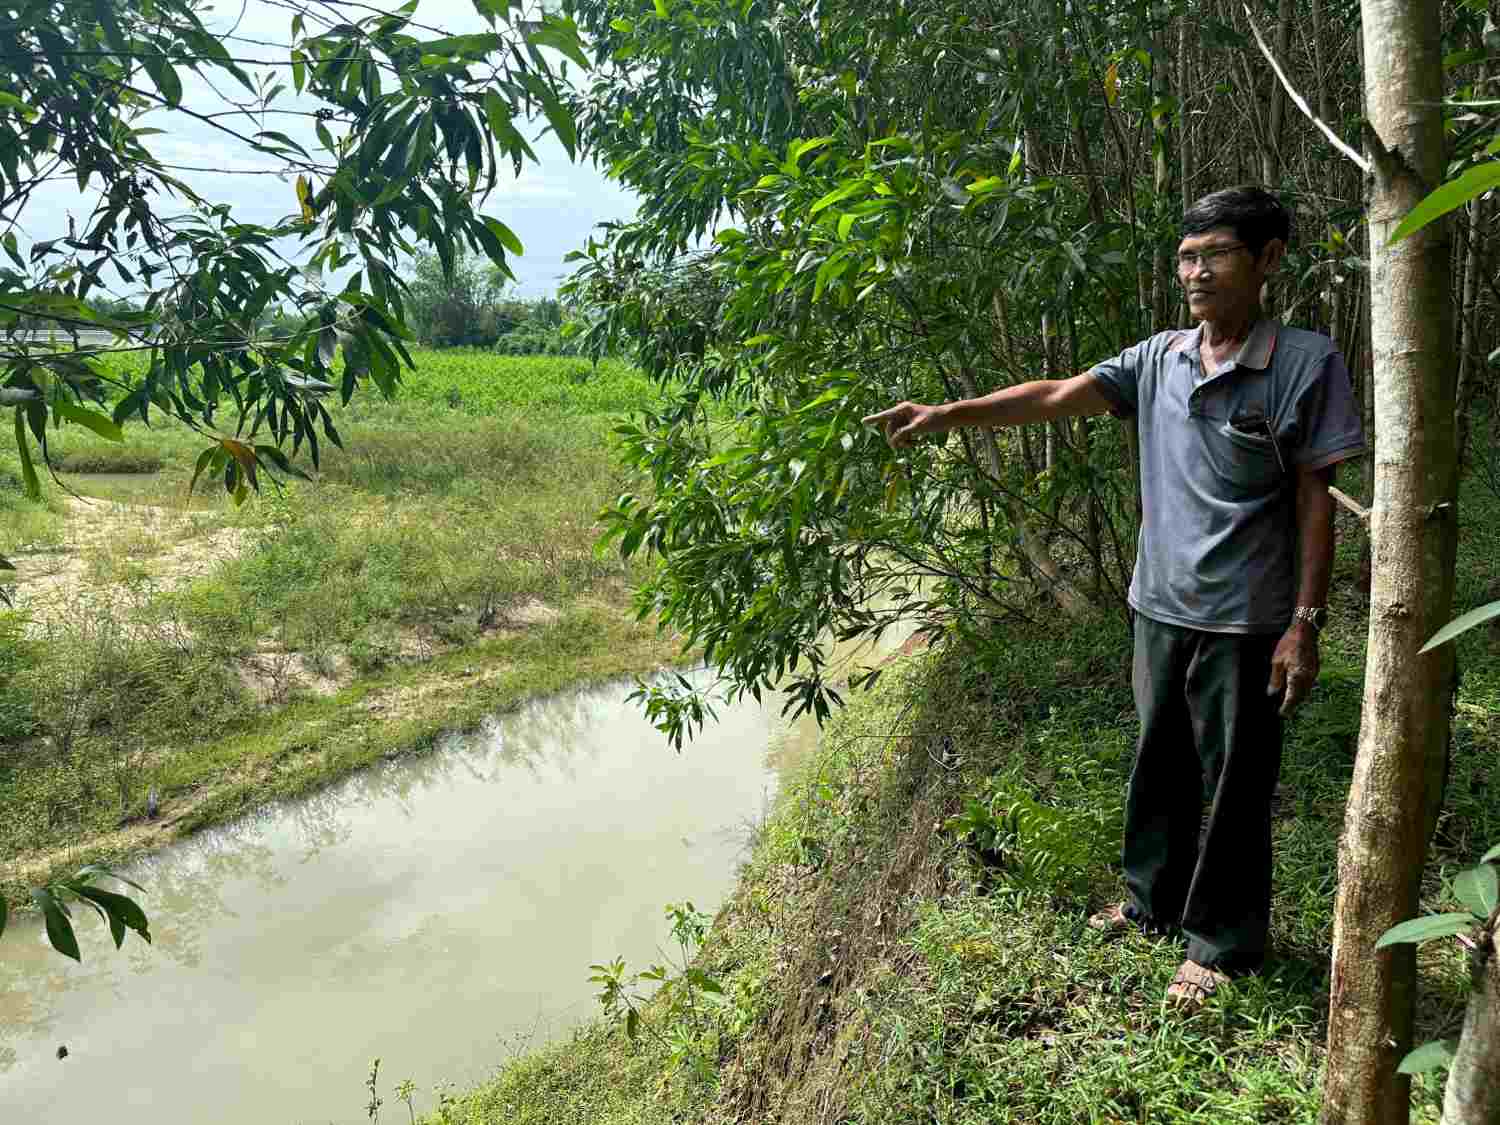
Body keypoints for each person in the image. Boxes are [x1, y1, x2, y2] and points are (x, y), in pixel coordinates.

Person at [862, 186, 1365, 1011]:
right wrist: (949, 413)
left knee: (1237, 780)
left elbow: (1318, 500)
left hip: (1249, 619)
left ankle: (1221, 942)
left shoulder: (1305, 363)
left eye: (1215, 254)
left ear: (1269, 260)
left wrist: (1305, 624)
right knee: (1157, 761)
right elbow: (1057, 394)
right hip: (1159, 607)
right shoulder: (1157, 358)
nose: (1195, 272)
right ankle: (1149, 904)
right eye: (1186, 258)